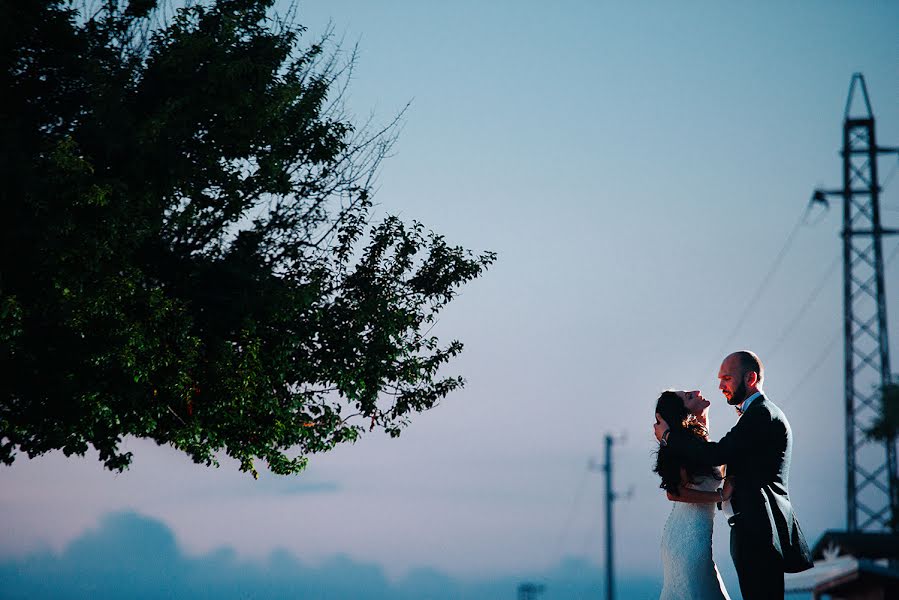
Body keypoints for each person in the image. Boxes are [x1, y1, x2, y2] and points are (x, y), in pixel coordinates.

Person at [653, 351, 813, 600]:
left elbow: (718, 453)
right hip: (748, 529)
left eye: (727, 378)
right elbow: (713, 456)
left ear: (750, 378)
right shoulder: (755, 415)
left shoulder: (761, 414)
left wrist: (668, 437)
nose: (719, 386)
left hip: (760, 530)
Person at [654, 389, 733, 600]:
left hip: (695, 537)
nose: (696, 391)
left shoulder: (695, 442)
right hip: (687, 541)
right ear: (682, 414)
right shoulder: (678, 448)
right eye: (689, 396)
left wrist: (702, 414)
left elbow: (708, 452)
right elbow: (674, 492)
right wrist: (720, 496)